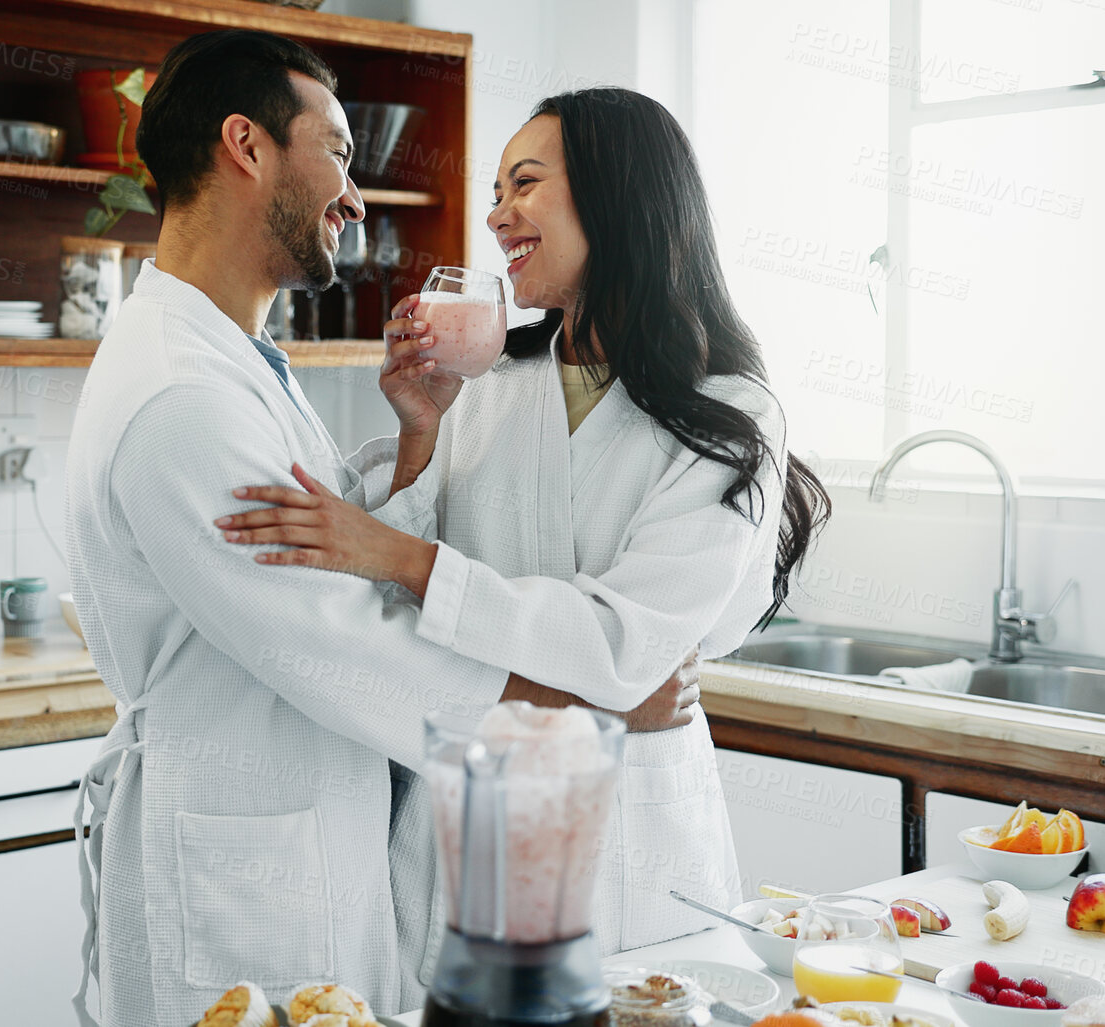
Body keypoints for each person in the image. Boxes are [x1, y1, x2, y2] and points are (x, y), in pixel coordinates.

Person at [61, 34, 696, 1027]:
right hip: (242, 868)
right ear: (247, 146)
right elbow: (348, 643)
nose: (354, 197)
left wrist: (415, 439)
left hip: (299, 835)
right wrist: (584, 703)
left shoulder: (229, 360)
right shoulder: (180, 399)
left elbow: (335, 561)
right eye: (342, 154)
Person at [218, 87, 833, 963]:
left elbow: (626, 649)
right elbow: (390, 610)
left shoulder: (729, 414)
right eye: (497, 189)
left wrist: (403, 555)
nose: (497, 213)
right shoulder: (488, 381)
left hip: (629, 824)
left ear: (617, 197)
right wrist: (420, 431)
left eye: (524, 185)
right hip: (474, 802)